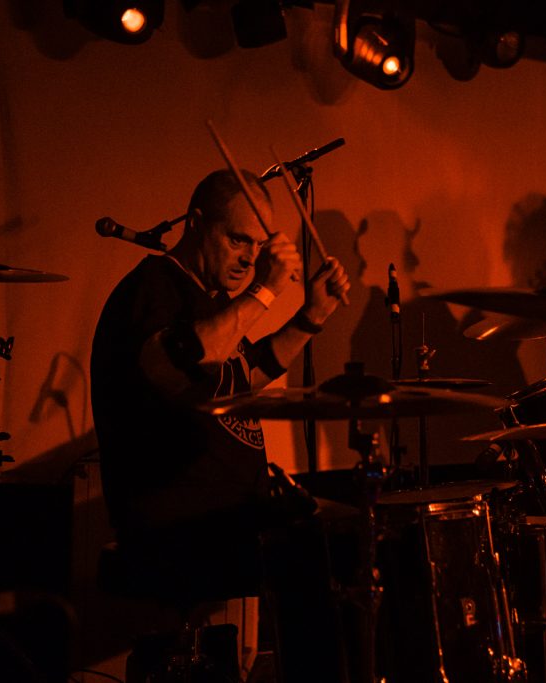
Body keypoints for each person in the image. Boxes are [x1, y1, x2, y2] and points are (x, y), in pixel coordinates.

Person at [90, 168, 351, 679]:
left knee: (350, 526)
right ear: (195, 223)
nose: (250, 257)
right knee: (325, 551)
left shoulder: (210, 303)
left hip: (227, 513)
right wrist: (264, 292)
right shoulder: (154, 288)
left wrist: (310, 317)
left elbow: (239, 375)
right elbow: (180, 361)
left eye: (257, 245)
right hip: (178, 521)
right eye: (237, 239)